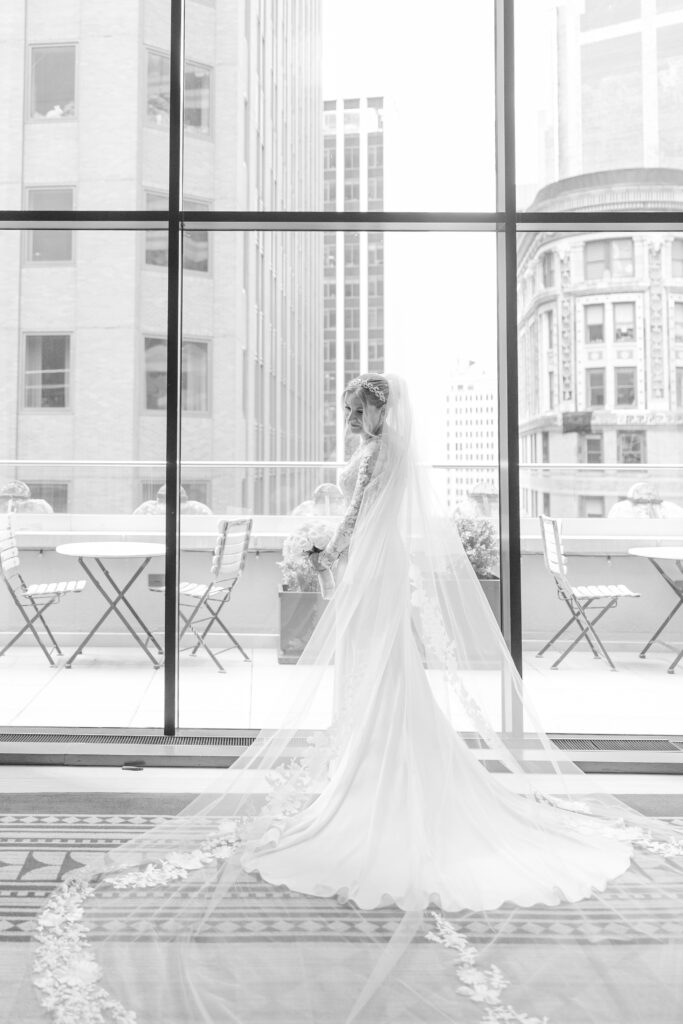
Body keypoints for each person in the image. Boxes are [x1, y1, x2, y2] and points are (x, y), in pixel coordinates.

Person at [16, 374, 683, 1024]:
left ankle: (378, 772)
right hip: (375, 563)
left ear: (373, 408)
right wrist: (334, 544)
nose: (347, 420)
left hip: (371, 564)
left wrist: (324, 548)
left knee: (376, 668)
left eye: (351, 410)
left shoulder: (382, 450)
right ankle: (371, 764)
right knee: (374, 671)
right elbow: (362, 505)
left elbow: (362, 511)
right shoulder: (381, 448)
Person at [608, 481, 683, 519]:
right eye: (643, 490)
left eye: (650, 490)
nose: (648, 492)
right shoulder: (622, 507)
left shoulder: (667, 506)